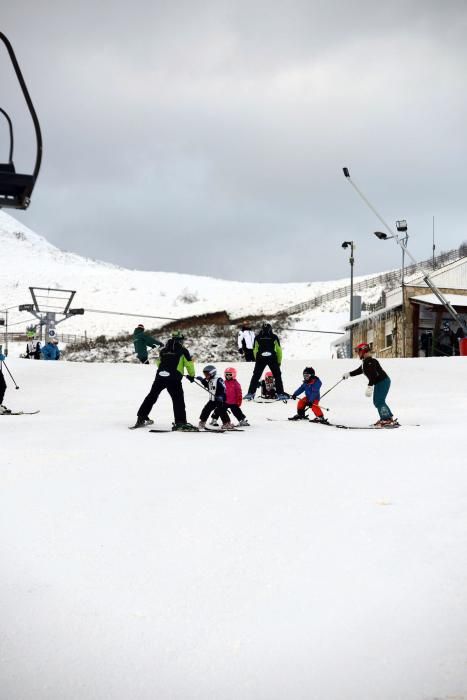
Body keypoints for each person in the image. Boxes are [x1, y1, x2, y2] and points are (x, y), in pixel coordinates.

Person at [134, 331, 197, 430]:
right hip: (174, 378)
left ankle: (141, 417)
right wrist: (191, 376)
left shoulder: (163, 350)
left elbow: (159, 362)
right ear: (180, 340)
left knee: (152, 396)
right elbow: (189, 364)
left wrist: (167, 370)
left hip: (160, 376)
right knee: (178, 400)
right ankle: (180, 422)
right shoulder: (183, 350)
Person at [342, 342, 397, 427]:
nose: (358, 354)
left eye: (359, 352)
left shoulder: (371, 361)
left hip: (383, 381)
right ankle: (388, 418)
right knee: (377, 401)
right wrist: (348, 374)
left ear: (363, 351)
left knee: (379, 401)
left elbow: (374, 375)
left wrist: (370, 386)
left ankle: (386, 419)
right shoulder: (365, 362)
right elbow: (359, 371)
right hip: (380, 382)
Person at [243, 322, 288, 400]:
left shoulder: (257, 337)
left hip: (260, 358)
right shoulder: (274, 337)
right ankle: (280, 393)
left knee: (256, 376)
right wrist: (279, 361)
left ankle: (250, 393)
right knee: (277, 376)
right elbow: (279, 350)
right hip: (272, 358)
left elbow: (255, 350)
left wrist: (257, 360)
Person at [197, 365, 234, 430]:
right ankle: (202, 422)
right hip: (212, 399)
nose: (206, 376)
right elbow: (208, 386)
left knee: (221, 410)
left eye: (207, 374)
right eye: (204, 374)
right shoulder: (210, 380)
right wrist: (202, 380)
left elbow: (223, 389)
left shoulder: (218, 379)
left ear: (212, 373)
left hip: (219, 399)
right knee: (206, 409)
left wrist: (221, 396)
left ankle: (227, 423)